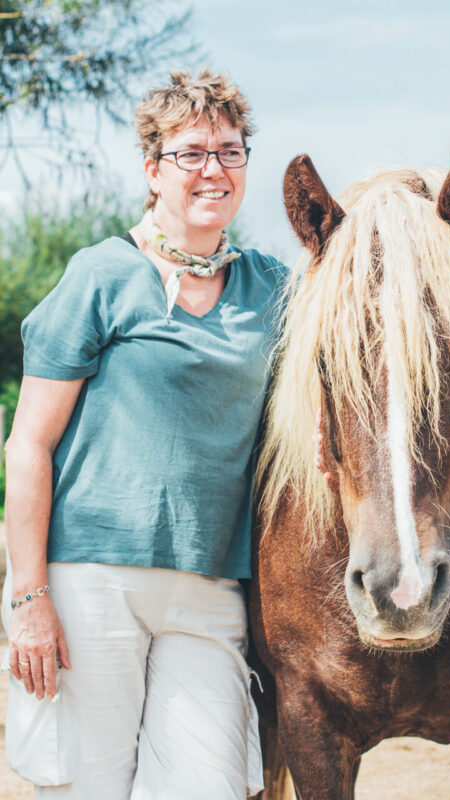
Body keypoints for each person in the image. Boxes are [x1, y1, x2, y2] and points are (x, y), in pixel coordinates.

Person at [2, 69, 286, 798]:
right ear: (155, 169)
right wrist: (28, 598)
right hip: (90, 579)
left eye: (230, 150)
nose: (214, 169)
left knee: (212, 787)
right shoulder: (102, 274)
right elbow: (29, 443)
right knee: (88, 788)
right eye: (192, 153)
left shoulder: (273, 287)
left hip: (212, 581)